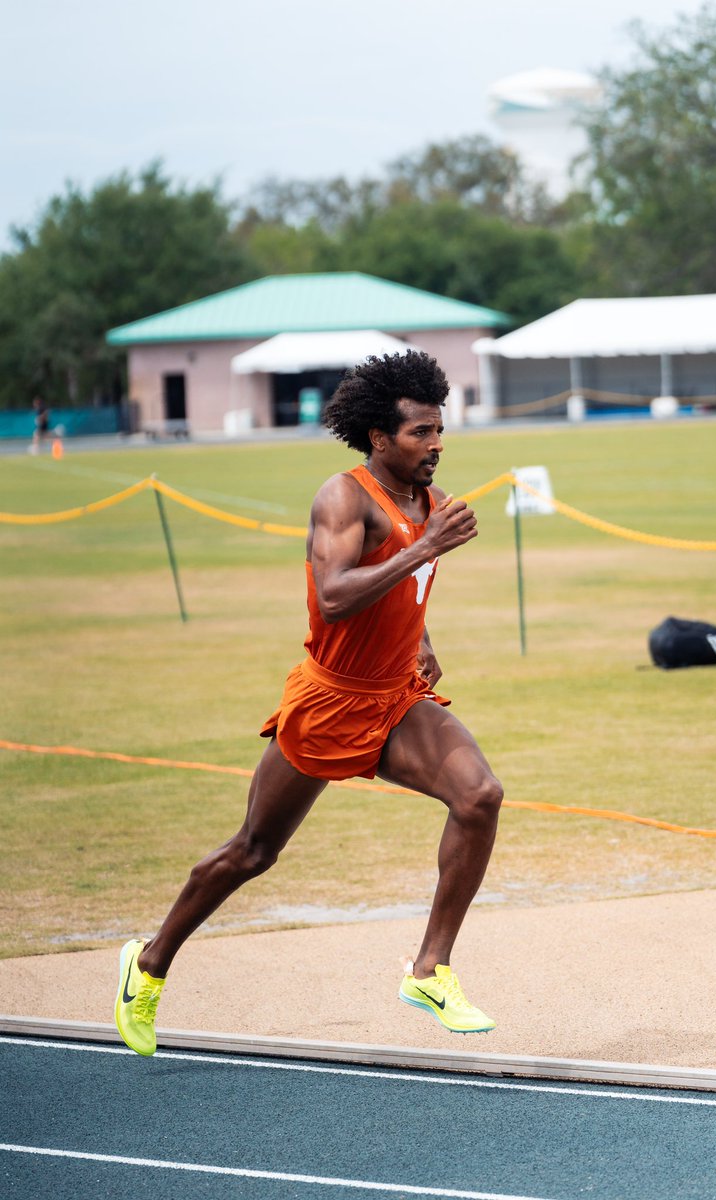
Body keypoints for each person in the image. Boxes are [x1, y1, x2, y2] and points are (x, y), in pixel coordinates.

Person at [114, 349, 504, 1056]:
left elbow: (402, 588)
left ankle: (429, 971)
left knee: (479, 796)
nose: (436, 444)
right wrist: (424, 551)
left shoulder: (431, 504)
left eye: (440, 430)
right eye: (420, 432)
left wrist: (420, 639)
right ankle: (148, 965)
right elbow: (333, 596)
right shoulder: (343, 498)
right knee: (253, 851)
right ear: (379, 437)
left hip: (394, 697)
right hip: (330, 701)